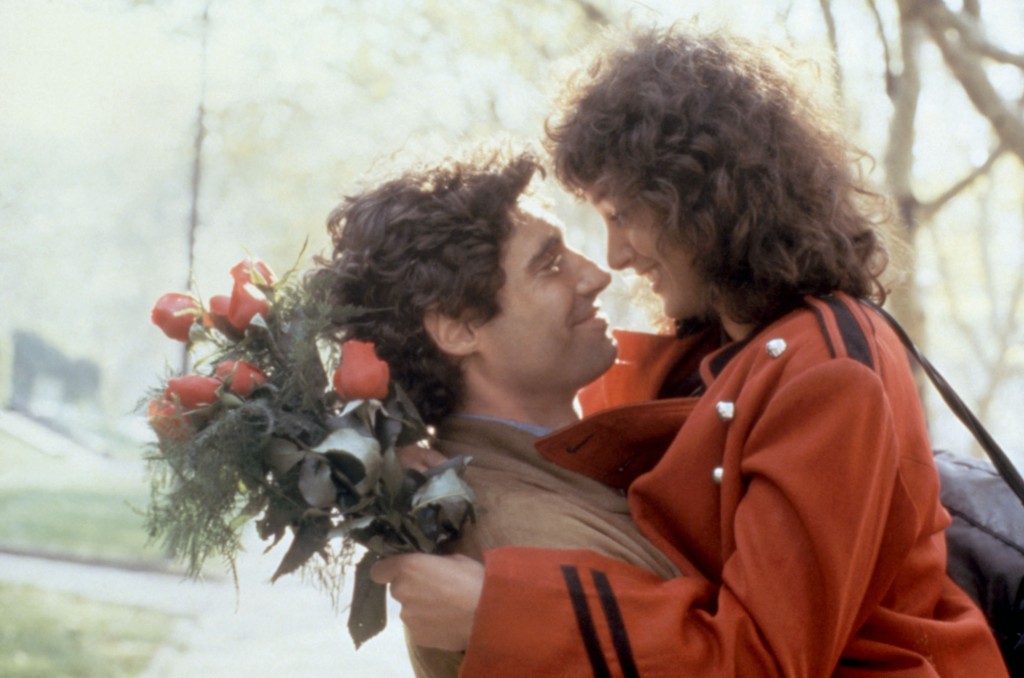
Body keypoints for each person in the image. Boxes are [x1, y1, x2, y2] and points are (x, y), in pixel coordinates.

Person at [369, 27, 1009, 676]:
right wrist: (416, 461)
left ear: (697, 196)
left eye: (620, 215)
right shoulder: (717, 348)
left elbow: (758, 660)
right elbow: (556, 439)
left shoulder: (827, 369)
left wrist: (497, 611)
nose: (613, 259)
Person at [310, 148, 685, 677]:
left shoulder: (533, 480)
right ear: (459, 329)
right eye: (550, 264)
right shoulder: (516, 536)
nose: (596, 274)